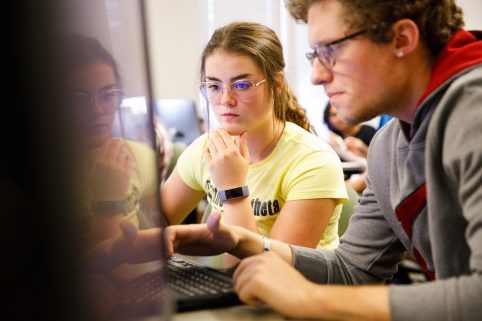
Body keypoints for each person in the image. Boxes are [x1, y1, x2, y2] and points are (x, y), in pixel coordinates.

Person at [102, 1, 482, 320]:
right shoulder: (390, 144)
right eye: (314, 55)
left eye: (331, 49)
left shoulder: (472, 111)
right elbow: (352, 270)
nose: (316, 75)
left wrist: (307, 297)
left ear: (402, 39)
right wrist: (242, 241)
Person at [160, 21, 348, 258]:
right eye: (214, 86)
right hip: (221, 289)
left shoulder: (314, 161)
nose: (226, 99)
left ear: (277, 84)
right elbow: (156, 224)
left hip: (288, 292)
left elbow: (269, 270)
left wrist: (233, 189)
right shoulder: (205, 149)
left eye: (242, 85)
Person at [64, 34, 160, 248]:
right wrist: (107, 203)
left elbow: (163, 227)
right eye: (79, 98)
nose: (97, 111)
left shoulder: (138, 156)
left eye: (108, 95)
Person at [324, 101, 376, 193]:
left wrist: (363, 149)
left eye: (340, 112)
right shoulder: (333, 139)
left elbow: (382, 161)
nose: (338, 118)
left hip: (366, 184)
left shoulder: (368, 132)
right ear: (328, 118)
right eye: (333, 114)